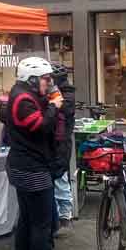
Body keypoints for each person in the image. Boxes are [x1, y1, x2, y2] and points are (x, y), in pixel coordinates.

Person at [0, 56, 65, 250]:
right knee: (41, 224)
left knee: (27, 220)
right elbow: (41, 126)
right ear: (33, 79)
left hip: (25, 166)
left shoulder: (23, 94)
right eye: (47, 79)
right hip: (32, 169)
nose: (50, 84)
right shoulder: (24, 100)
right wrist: (54, 106)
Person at [50, 63, 76, 235]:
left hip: (61, 143)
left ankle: (65, 216)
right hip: (53, 142)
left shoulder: (66, 95)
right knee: (56, 179)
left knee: (61, 178)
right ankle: (57, 215)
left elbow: (64, 109)